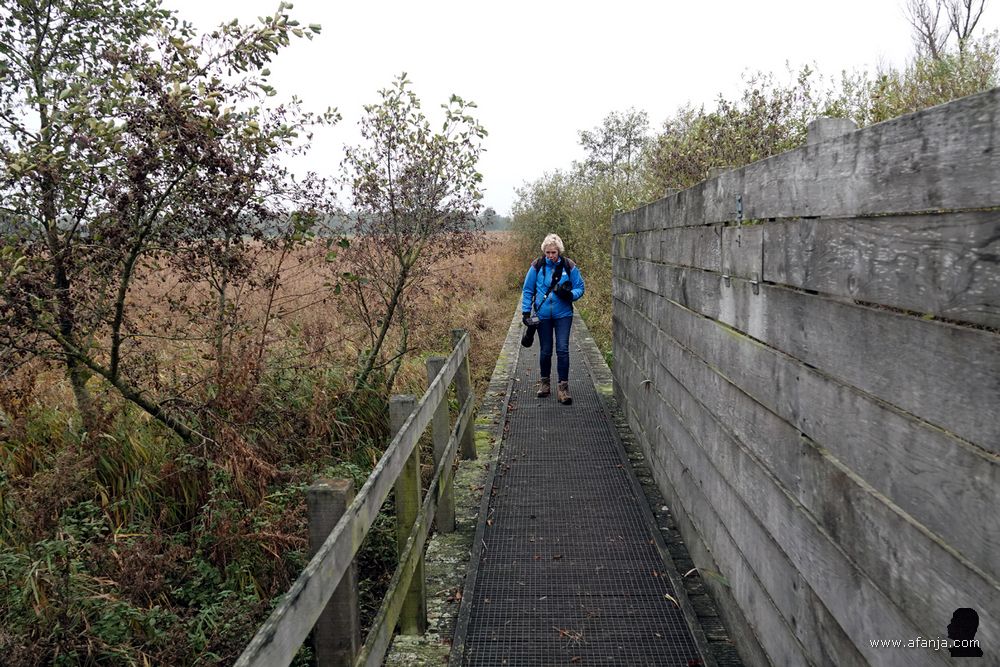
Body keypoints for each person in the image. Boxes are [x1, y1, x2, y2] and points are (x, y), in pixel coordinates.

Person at [521, 233, 585, 405]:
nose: (551, 256)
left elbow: (580, 287)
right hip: (543, 315)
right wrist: (526, 312)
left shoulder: (569, 266)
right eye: (548, 252)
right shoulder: (537, 266)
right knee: (546, 350)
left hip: (563, 314)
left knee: (563, 349)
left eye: (554, 252)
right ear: (544, 251)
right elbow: (527, 290)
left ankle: (563, 388)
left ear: (559, 251)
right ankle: (545, 383)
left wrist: (569, 295)